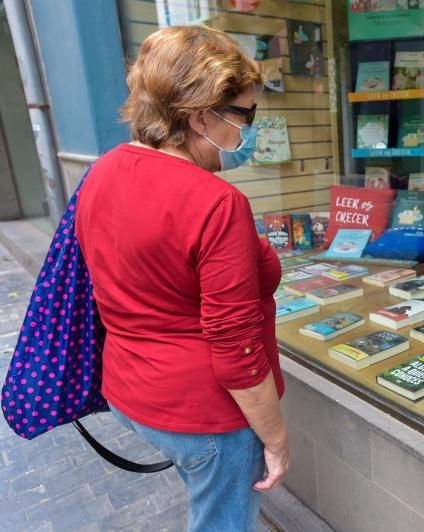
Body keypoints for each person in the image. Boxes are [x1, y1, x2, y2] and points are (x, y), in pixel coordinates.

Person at [75, 26, 288, 532]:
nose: (249, 132)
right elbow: (235, 348)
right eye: (245, 115)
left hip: (131, 390)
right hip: (205, 415)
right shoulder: (216, 203)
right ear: (199, 118)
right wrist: (276, 439)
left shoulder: (103, 170)